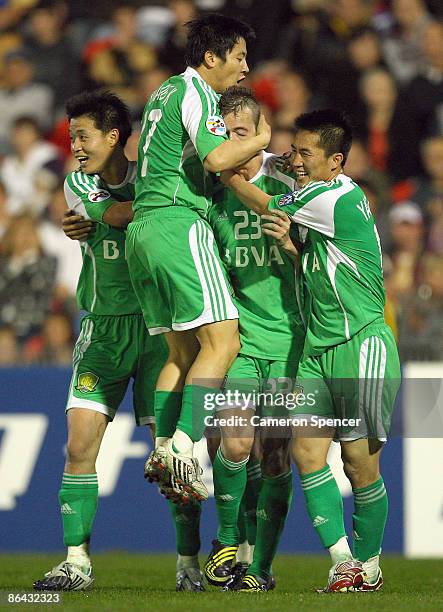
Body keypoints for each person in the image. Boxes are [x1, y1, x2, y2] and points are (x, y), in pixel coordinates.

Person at [220, 109, 401, 593]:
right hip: (317, 350)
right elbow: (318, 263)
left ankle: (371, 564)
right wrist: (291, 248)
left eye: (306, 153)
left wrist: (226, 168)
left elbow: (265, 200)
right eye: (294, 150)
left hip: (362, 343)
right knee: (305, 453)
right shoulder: (316, 202)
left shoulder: (337, 195)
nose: (296, 160)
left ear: (336, 161)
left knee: (359, 464)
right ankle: (344, 561)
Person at [126, 13, 271, 501]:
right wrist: (261, 139)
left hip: (142, 232)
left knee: (181, 352)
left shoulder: (162, 92)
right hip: (176, 223)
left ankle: (164, 443)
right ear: (212, 58)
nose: (246, 68)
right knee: (224, 342)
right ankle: (183, 450)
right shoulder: (198, 94)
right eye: (239, 57)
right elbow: (216, 158)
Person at [33, 90, 169, 592]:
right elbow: (116, 216)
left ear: (114, 137)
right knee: (79, 444)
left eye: (83, 136)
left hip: (159, 331)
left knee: (171, 457)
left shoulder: (154, 177)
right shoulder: (77, 183)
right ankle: (76, 561)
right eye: (73, 137)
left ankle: (190, 563)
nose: (76, 145)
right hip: (104, 331)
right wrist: (161, 209)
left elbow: (119, 213)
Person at [203, 86, 307, 591]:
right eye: (226, 135)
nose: (234, 146)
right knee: (235, 439)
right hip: (239, 336)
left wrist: (290, 243)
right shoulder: (208, 186)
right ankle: (227, 544)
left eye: (244, 134)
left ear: (262, 136)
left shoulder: (290, 179)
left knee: (274, 458)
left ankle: (259, 566)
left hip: (291, 338)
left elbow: (320, 252)